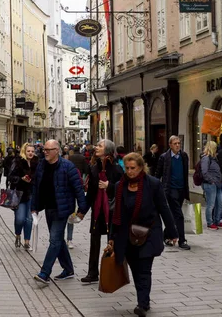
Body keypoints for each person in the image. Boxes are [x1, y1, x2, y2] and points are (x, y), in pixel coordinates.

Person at [106, 153, 178, 317]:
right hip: (126, 235)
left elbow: (164, 208)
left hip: (148, 233)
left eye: (133, 168)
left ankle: (142, 304)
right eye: (127, 168)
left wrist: (173, 232)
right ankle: (143, 298)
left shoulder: (152, 184)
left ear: (141, 167)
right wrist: (111, 236)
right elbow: (115, 214)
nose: (130, 172)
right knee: (136, 270)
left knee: (144, 270)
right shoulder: (120, 186)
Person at [31, 139, 87, 284]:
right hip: (49, 208)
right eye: (44, 149)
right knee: (58, 240)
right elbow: (36, 187)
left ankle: (44, 273)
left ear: (57, 150)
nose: (45, 152)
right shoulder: (42, 166)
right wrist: (34, 207)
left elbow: (78, 189)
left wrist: (82, 209)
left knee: (54, 240)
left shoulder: (68, 167)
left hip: (62, 209)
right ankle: (68, 269)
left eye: (48, 150)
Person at [81, 139, 123, 285]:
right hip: (97, 210)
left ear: (108, 150)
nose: (96, 147)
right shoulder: (94, 168)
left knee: (112, 242)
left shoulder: (117, 169)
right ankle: (92, 273)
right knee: (94, 241)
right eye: (97, 145)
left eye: (100, 146)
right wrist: (82, 211)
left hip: (112, 210)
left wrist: (108, 186)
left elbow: (122, 189)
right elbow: (91, 193)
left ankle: (114, 272)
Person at [155, 135, 191, 250]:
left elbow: (185, 173)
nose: (177, 145)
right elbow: (158, 174)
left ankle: (165, 235)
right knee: (179, 215)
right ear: (170, 145)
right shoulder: (164, 157)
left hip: (181, 189)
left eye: (179, 143)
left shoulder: (184, 156)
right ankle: (182, 240)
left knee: (174, 216)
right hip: (170, 190)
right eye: (175, 143)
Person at [9, 143, 39, 250]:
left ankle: (27, 242)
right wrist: (21, 179)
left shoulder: (37, 163)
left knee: (29, 219)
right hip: (19, 194)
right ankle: (17, 235)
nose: (31, 153)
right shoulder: (17, 162)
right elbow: (10, 177)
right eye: (28, 151)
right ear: (24, 152)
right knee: (20, 219)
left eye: (32, 151)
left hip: (32, 194)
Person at [201, 141, 222, 230]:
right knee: (210, 204)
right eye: (215, 148)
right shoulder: (206, 158)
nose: (217, 149)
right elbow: (204, 172)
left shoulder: (214, 158)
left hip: (217, 184)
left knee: (220, 203)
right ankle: (210, 222)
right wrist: (211, 181)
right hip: (210, 184)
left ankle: (217, 220)